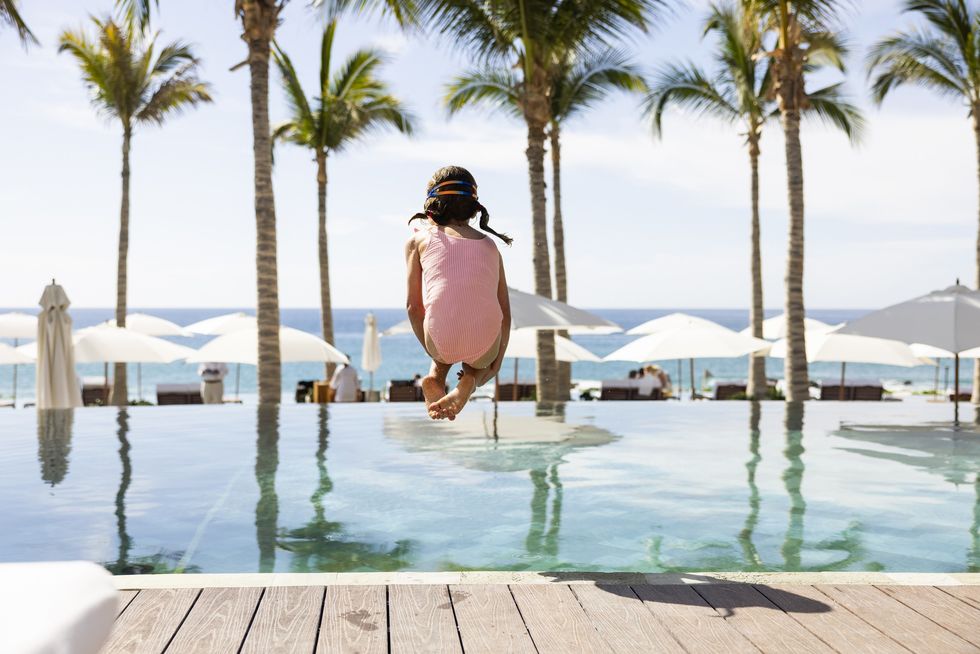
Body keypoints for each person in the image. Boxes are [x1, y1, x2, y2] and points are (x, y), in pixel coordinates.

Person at [405, 165, 512, 420]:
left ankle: (435, 377)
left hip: (441, 339)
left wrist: (433, 351)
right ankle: (470, 381)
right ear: (473, 208)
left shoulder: (418, 241)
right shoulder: (491, 247)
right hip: (485, 343)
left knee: (443, 341)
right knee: (480, 364)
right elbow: (504, 314)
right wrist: (496, 364)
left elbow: (413, 308)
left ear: (432, 205)